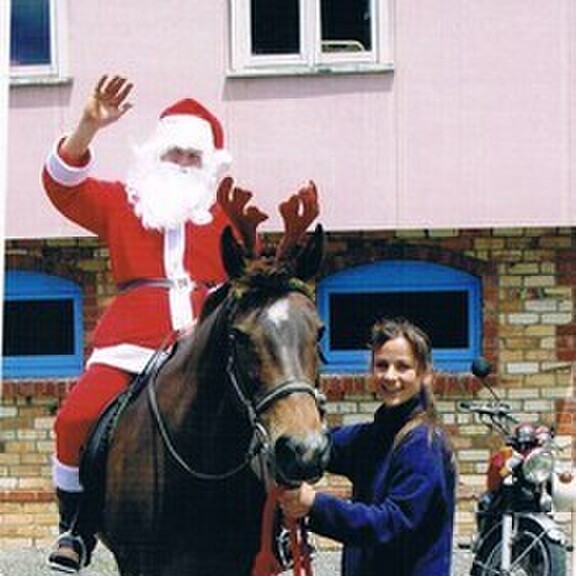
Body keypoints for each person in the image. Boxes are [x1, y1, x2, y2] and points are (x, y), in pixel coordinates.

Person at [42, 74, 234, 573]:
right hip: (130, 343)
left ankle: (274, 523)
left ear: (209, 165)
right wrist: (87, 126)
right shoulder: (123, 203)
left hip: (206, 345)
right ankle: (76, 525)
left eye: (193, 156)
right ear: (156, 154)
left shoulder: (227, 219)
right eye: (174, 152)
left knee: (256, 417)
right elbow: (62, 186)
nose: (183, 162)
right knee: (75, 419)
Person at [278, 317, 457, 576]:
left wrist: (314, 504)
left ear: (425, 375)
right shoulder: (373, 436)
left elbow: (391, 524)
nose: (390, 376)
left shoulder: (424, 445)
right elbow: (319, 447)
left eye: (403, 367)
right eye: (382, 365)